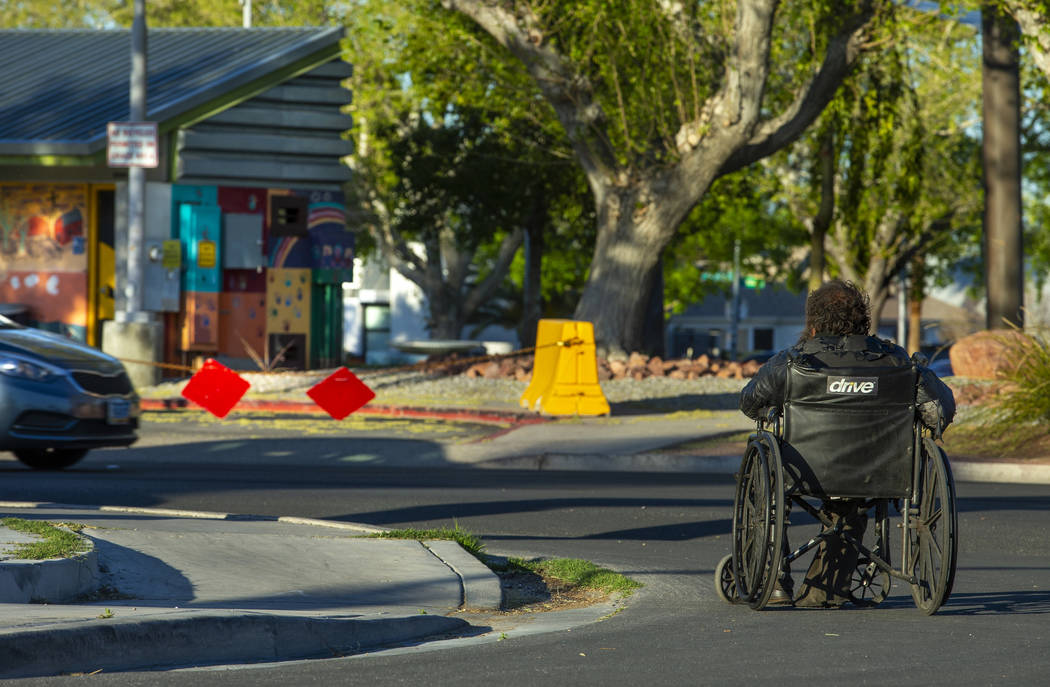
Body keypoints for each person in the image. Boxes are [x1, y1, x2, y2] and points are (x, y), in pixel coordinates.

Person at [738, 279, 956, 607]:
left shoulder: (792, 362)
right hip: (884, 472)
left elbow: (750, 403)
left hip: (806, 473)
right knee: (851, 503)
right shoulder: (899, 362)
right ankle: (827, 586)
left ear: (812, 324)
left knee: (767, 463)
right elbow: (939, 410)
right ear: (864, 321)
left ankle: (776, 579)